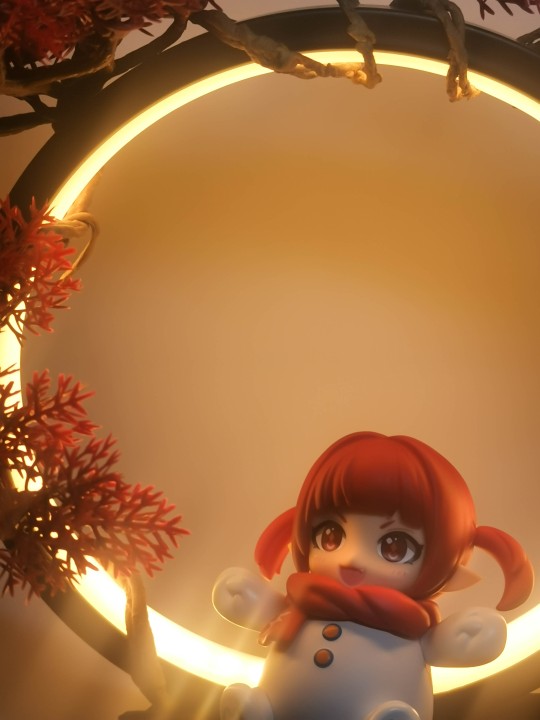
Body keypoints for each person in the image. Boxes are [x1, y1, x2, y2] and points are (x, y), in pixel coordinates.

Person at [213, 432, 534, 720]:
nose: (351, 557)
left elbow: (439, 645)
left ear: (441, 555)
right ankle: (257, 710)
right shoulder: (298, 605)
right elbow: (266, 610)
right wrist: (246, 598)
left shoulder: (413, 628)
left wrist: (466, 638)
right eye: (331, 536)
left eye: (394, 547)